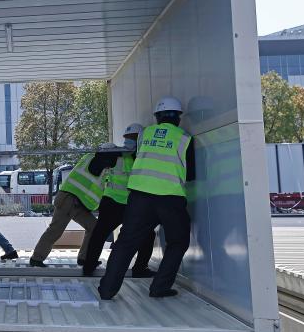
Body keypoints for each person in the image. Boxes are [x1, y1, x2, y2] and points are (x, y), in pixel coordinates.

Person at [99, 97, 195, 300]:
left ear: (157, 117)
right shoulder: (185, 138)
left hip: (139, 197)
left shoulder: (145, 134)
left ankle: (107, 290)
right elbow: (191, 174)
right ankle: (159, 287)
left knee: (125, 243)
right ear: (178, 117)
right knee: (178, 242)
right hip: (170, 198)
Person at [80, 123, 157, 278]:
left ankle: (88, 267)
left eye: (131, 137)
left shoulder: (118, 154)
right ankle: (140, 268)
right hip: (130, 204)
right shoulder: (140, 155)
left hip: (112, 202)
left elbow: (94, 169)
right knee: (147, 235)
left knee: (99, 235)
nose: (129, 140)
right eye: (129, 138)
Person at [29, 145, 121, 267]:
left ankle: (84, 258)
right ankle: (37, 258)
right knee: (56, 230)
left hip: (75, 202)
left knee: (92, 227)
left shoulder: (94, 160)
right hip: (69, 199)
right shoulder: (95, 159)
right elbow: (97, 169)